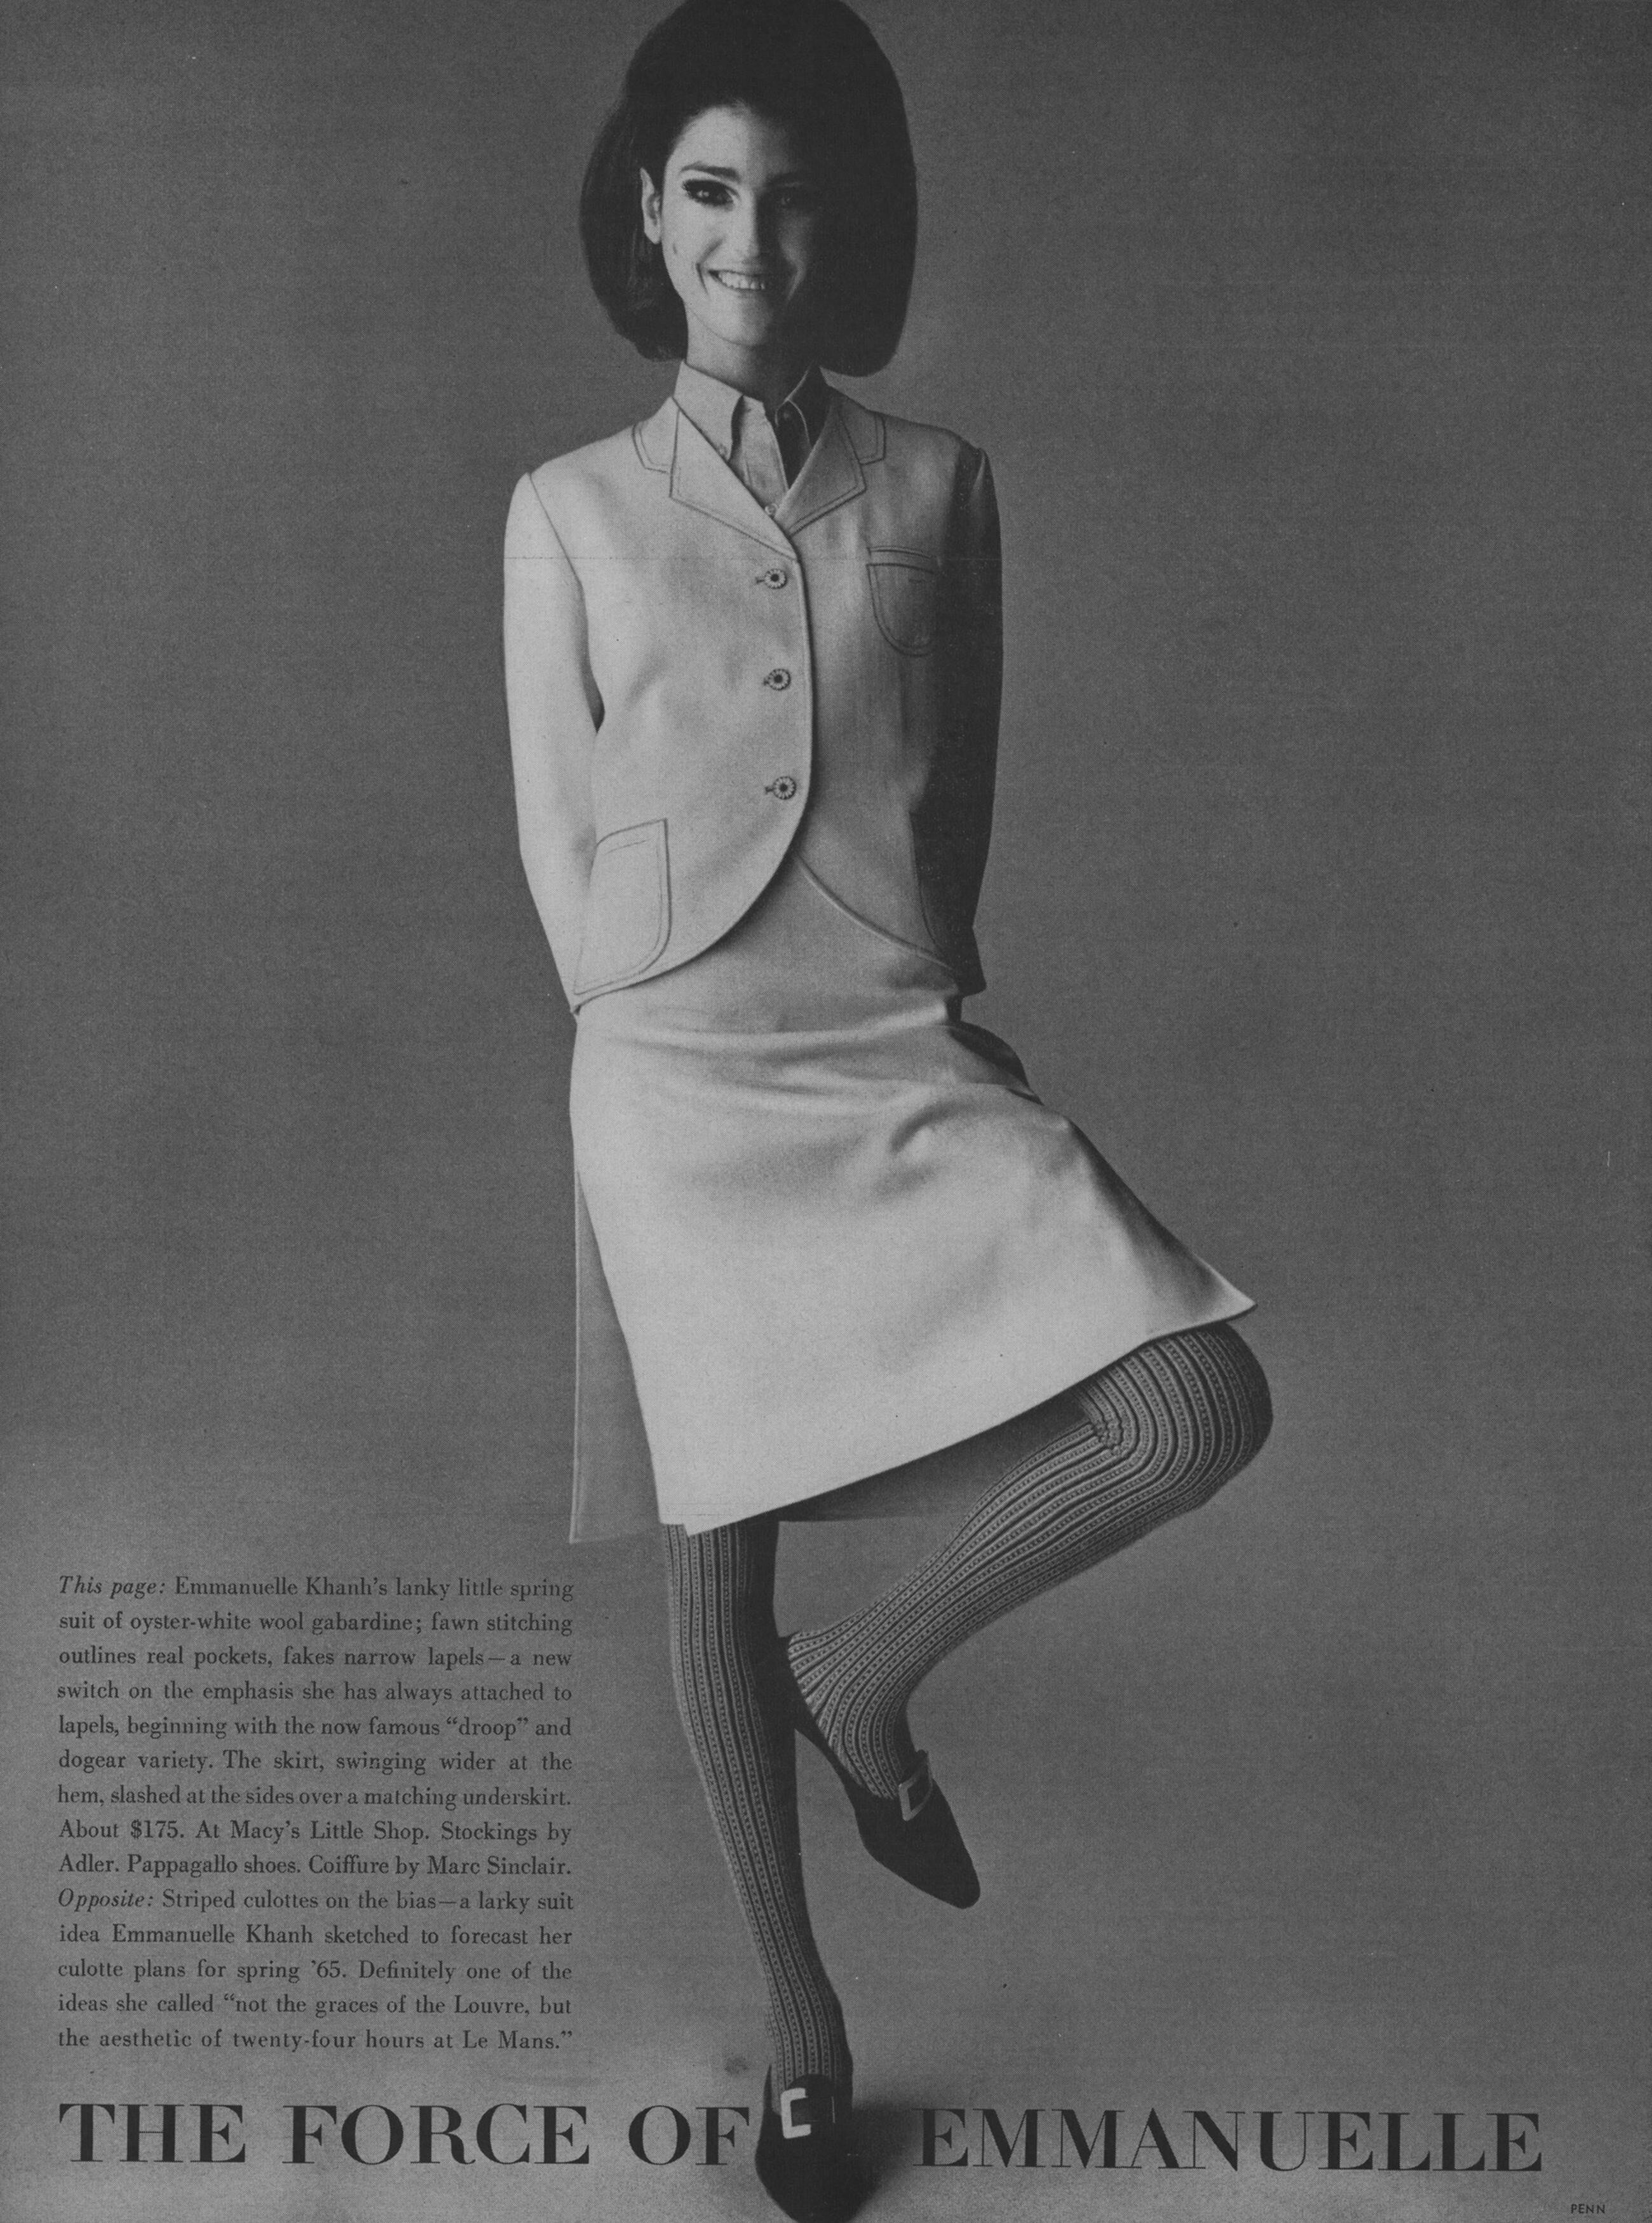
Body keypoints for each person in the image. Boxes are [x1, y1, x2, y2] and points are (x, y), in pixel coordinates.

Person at [503, 3, 1272, 2214]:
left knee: (1195, 1402)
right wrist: (639, 1012)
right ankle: (804, 2034)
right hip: (675, 1063)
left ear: (849, 226)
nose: (751, 239)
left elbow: (967, 783)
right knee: (716, 1525)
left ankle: (866, 1672)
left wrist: (938, 997)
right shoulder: (566, 511)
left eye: (794, 195)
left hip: (885, 1029)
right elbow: (556, 838)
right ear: (650, 213)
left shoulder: (943, 484)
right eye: (709, 191)